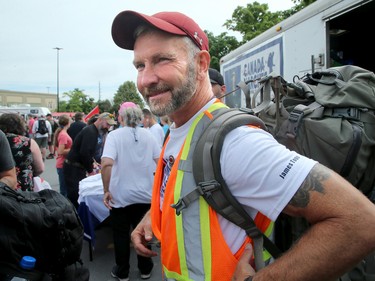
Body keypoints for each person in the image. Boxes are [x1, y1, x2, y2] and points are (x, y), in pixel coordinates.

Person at [111, 10, 375, 281]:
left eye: (162, 59)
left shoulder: (236, 143)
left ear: (202, 64)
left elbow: (361, 222)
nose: (146, 79)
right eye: (140, 66)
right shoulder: (177, 129)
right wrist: (153, 217)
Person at [102, 102, 160, 281]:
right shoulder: (149, 135)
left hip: (121, 195)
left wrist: (106, 189)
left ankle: (122, 270)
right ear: (140, 117)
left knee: (120, 234)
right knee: (143, 233)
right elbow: (160, 162)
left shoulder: (114, 136)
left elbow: (106, 164)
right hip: (145, 194)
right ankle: (145, 268)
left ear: (121, 117)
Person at [63, 112, 116, 209]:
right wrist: (90, 170)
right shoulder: (90, 131)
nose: (108, 127)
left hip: (77, 167)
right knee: (75, 196)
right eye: (107, 124)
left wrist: (94, 163)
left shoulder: (94, 131)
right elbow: (85, 152)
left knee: (77, 195)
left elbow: (88, 152)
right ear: (100, 120)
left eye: (110, 125)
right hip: (73, 168)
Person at [0, 113, 44, 191]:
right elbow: (40, 168)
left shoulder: (1, 139)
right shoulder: (28, 142)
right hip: (24, 189)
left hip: (3, 188)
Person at [54, 114, 72, 197]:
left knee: (64, 188)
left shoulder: (62, 133)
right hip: (62, 164)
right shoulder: (63, 135)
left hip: (62, 163)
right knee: (64, 190)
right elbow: (61, 151)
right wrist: (72, 149)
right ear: (67, 122)